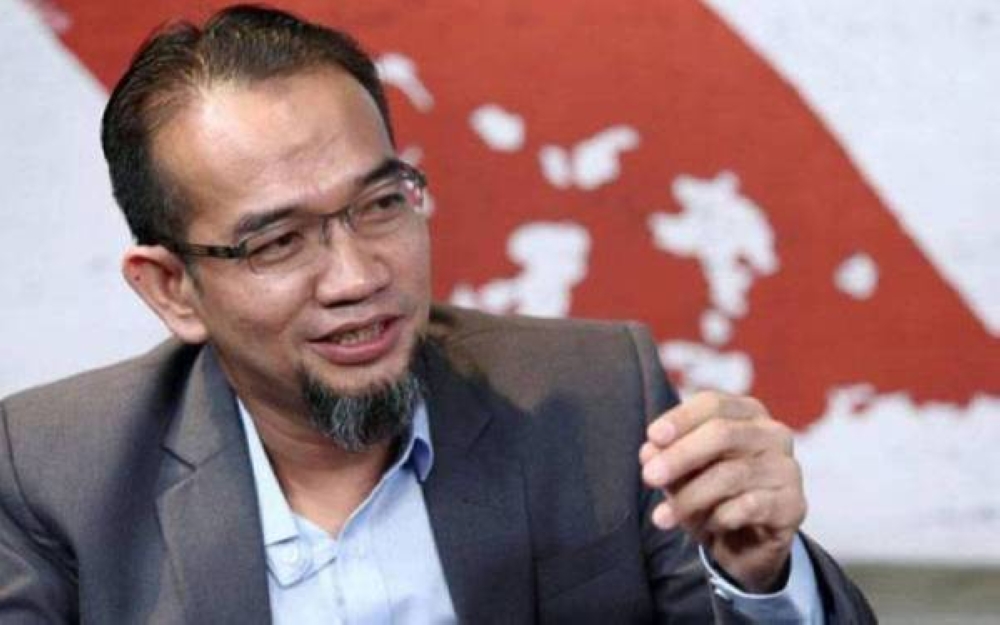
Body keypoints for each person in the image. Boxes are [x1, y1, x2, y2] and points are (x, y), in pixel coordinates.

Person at [0, 5, 875, 623]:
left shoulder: (597, 395)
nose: (356, 277)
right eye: (278, 243)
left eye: (381, 204)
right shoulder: (53, 472)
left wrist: (760, 577)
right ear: (171, 289)